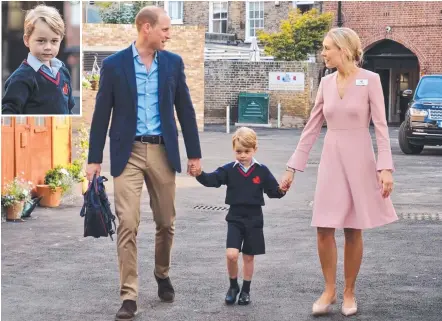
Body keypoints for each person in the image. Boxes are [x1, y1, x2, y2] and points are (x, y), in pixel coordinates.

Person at [86, 6, 201, 321]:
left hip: (163, 152)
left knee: (166, 222)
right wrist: (94, 160)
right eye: (165, 29)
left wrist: (194, 155)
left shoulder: (173, 64)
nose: (169, 34)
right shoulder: (114, 65)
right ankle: (129, 295)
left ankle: (161, 273)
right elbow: (101, 115)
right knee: (128, 223)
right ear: (146, 27)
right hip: (129, 153)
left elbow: (186, 110)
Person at [281, 27, 397, 317]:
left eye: (326, 48)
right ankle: (329, 289)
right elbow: (312, 127)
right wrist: (293, 166)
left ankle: (349, 291)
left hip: (360, 159)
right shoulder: (326, 83)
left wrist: (385, 168)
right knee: (323, 226)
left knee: (353, 228)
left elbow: (381, 128)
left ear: (344, 49)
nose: (323, 53)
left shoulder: (371, 81)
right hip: (331, 159)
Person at [191, 127, 287, 306]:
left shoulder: (261, 170)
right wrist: (199, 174)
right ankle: (233, 286)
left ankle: (246, 291)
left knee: (249, 257)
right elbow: (212, 180)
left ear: (254, 150)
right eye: (238, 151)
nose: (242, 155)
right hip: (235, 217)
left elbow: (274, 192)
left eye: (247, 151)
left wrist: (282, 189)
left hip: (254, 218)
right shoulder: (229, 170)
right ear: (234, 149)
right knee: (232, 255)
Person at [2, 4, 75, 115]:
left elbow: (69, 110)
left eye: (54, 41)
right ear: (27, 40)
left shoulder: (63, 72)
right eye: (41, 40)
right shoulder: (21, 78)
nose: (48, 47)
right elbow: (9, 115)